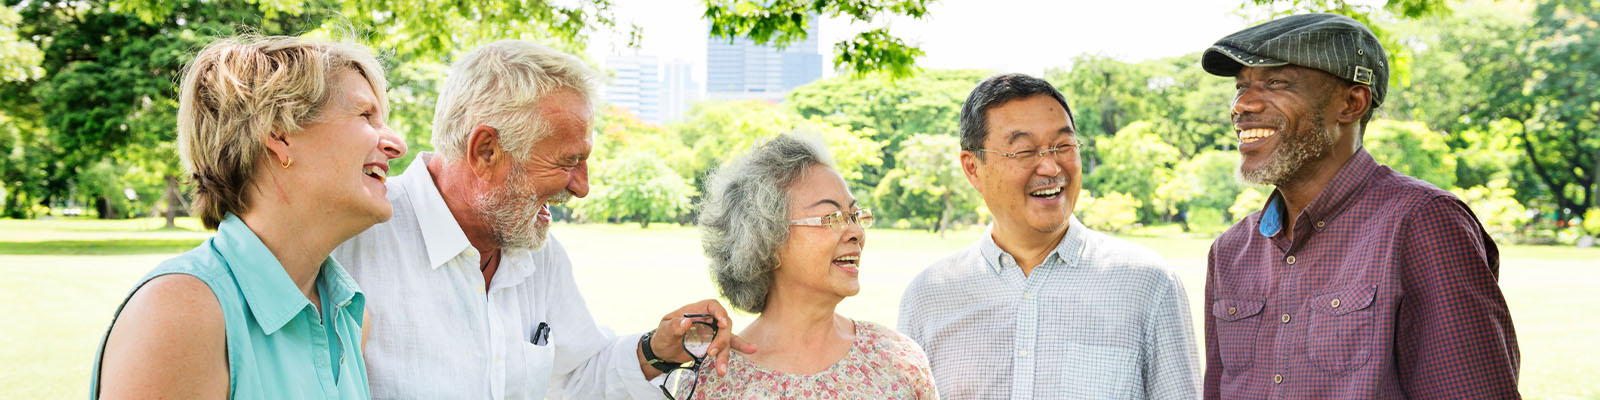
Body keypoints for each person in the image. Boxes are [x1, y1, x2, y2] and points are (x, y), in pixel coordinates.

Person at [330, 39, 754, 399]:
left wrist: (656, 349)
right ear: (486, 151)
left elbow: (578, 373)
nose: (582, 187)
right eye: (569, 162)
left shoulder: (539, 252)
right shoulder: (352, 238)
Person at [1199, 13, 1522, 399]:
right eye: (1240, 87)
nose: (1242, 105)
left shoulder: (1423, 222)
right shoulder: (1231, 251)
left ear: (1352, 104)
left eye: (1275, 83)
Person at [90, 36, 406, 398]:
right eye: (366, 115)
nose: (397, 144)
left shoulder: (349, 316)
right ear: (279, 135)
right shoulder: (181, 313)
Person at [897, 73, 1199, 400]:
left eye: (1063, 146)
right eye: (1025, 151)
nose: (1051, 167)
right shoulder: (928, 296)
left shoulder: (1147, 283)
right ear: (973, 168)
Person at [690, 132, 938, 399]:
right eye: (831, 217)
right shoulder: (717, 381)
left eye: (854, 215)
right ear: (766, 240)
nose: (855, 231)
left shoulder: (898, 359)